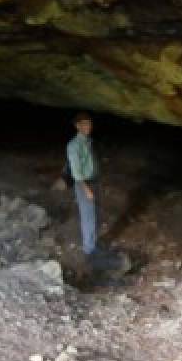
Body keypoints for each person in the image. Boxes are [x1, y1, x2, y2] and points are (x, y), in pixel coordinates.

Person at [66, 112, 102, 265]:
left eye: (89, 123)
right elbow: (76, 172)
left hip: (92, 182)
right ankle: (89, 251)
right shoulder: (74, 145)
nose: (88, 127)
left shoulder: (88, 141)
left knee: (93, 215)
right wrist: (86, 189)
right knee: (87, 216)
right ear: (77, 126)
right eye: (84, 124)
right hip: (83, 184)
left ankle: (92, 245)